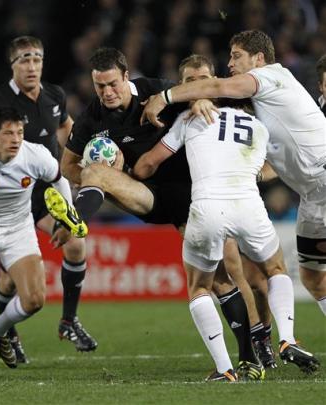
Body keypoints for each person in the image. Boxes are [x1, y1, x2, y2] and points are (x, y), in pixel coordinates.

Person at [45, 49, 264, 380]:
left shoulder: (154, 89)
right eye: (99, 86)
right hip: (144, 193)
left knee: (217, 279)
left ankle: (249, 359)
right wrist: (119, 171)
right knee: (93, 172)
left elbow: (194, 93)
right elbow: (68, 167)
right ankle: (78, 220)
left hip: (188, 196)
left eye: (112, 84)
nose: (107, 93)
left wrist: (200, 101)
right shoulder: (92, 117)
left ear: (126, 75)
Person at [141, 29, 326, 319]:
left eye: (236, 56)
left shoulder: (272, 76)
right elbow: (283, 156)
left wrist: (164, 96)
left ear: (259, 58)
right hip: (312, 198)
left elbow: (218, 87)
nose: (230, 63)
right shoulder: (263, 108)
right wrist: (255, 176)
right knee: (314, 280)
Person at [134, 97, 320, 375]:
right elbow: (280, 164)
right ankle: (287, 339)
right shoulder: (259, 126)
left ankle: (225, 369)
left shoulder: (190, 118)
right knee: (275, 269)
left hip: (206, 207)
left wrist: (133, 171)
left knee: (199, 287)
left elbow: (148, 164)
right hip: (248, 205)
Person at [0, 36, 97, 361]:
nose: (32, 66)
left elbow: (66, 128)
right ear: (13, 65)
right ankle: (7, 330)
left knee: (77, 243)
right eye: (25, 60)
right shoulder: (0, 100)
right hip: (13, 196)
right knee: (10, 281)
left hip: (42, 194)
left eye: (37, 59)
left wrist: (81, 154)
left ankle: (68, 320)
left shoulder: (54, 95)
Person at [0, 107, 74, 368]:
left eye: (19, 132)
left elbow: (59, 181)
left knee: (34, 300)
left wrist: (66, 221)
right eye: (8, 133)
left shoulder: (34, 155)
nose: (16, 139)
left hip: (18, 228)